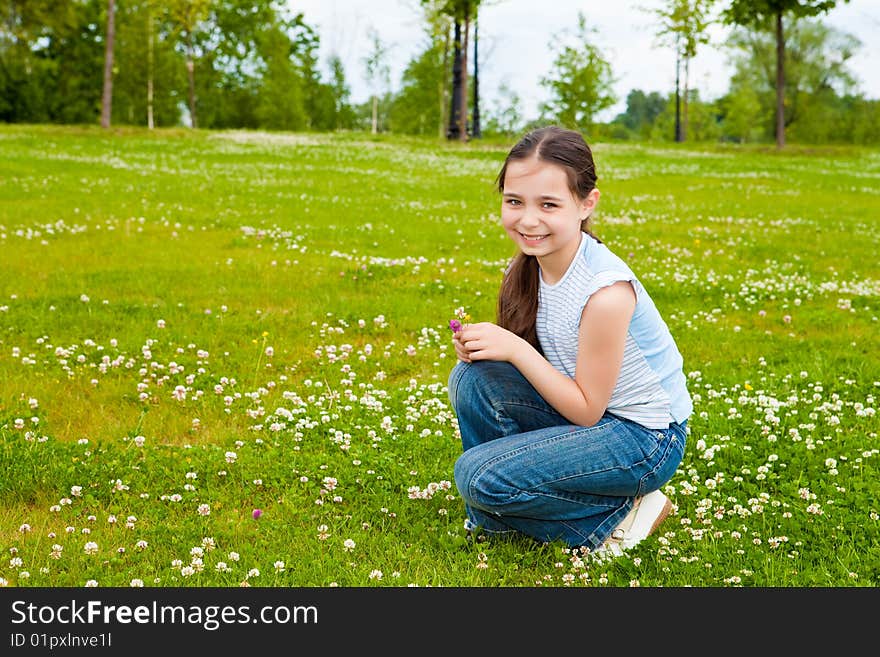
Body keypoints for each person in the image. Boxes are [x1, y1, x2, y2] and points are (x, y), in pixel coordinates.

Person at [447, 125, 692, 557]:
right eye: (514, 201)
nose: (527, 219)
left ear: (585, 204)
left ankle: (619, 514)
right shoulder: (528, 266)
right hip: (590, 421)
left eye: (548, 204)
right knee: (472, 376)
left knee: (476, 477)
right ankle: (504, 513)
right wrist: (489, 351)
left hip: (644, 440)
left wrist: (516, 350)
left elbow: (586, 409)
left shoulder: (606, 292)